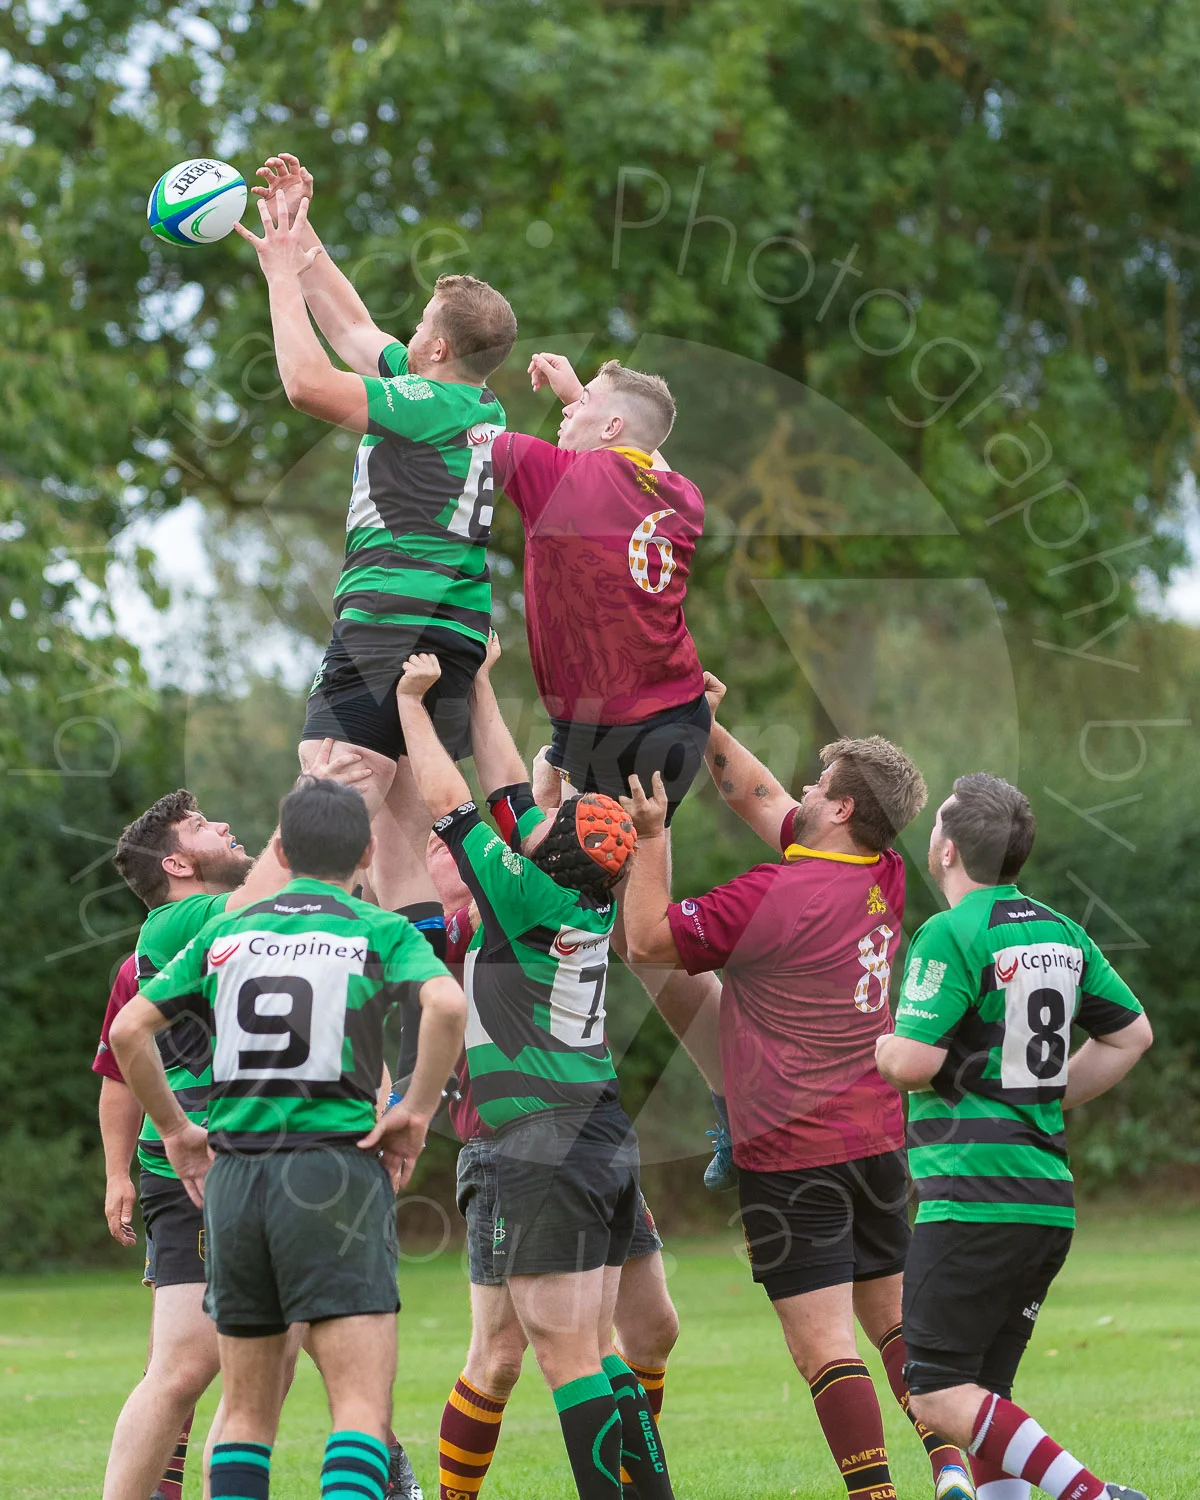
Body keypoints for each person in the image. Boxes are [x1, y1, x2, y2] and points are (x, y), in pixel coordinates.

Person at [620, 729, 976, 1500]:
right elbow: (760, 795)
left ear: (842, 807)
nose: (802, 793)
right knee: (894, 1323)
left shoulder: (768, 897)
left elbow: (646, 941)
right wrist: (704, 724)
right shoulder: (880, 871)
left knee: (823, 1346)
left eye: (819, 787)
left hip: (790, 1153)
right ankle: (952, 1469)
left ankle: (875, 1496)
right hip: (878, 1139)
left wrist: (651, 836)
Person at [110, 778, 468, 1500]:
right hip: (331, 1170)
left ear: (279, 849)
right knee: (360, 1410)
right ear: (365, 851)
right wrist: (417, 1109)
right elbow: (447, 1004)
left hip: (235, 1177)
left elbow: (125, 1033)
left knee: (243, 1415)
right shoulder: (371, 927)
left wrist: (178, 1132)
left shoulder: (225, 934)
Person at [395, 651, 674, 1500]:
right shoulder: (583, 894)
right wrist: (477, 681)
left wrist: (413, 706)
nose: (539, 814)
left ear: (544, 859)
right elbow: (515, 793)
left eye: (553, 821)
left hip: (537, 1142)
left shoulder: (520, 897)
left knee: (568, 1356)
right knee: (592, 1342)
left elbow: (453, 803)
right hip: (597, 1128)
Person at [239, 153, 517, 956]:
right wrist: (295, 228)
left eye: (422, 324)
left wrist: (279, 280)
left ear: (434, 351)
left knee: (326, 800)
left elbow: (306, 383)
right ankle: (419, 1041)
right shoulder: (471, 401)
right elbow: (357, 330)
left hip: (390, 631)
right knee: (400, 849)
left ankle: (235, 981)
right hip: (450, 635)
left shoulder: (425, 406)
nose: (410, 331)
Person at [875, 773, 1153, 1500]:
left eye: (935, 824)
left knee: (936, 1396)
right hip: (1043, 1200)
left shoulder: (951, 932)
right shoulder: (1061, 933)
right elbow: (1132, 1036)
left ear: (946, 851)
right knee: (985, 1396)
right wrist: (1044, 1096)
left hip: (972, 1197)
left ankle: (1094, 1495)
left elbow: (910, 1063)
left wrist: (875, 1042)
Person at [94, 953, 193, 1500]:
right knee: (175, 1364)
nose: (242, 858)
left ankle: (389, 1467)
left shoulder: (271, 933)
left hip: (278, 1172)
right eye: (232, 854)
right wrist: (116, 1173)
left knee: (309, 1349)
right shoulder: (142, 966)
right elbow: (119, 1076)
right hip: (177, 1183)